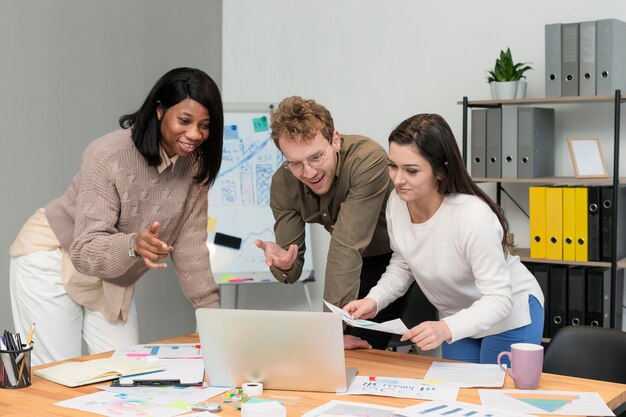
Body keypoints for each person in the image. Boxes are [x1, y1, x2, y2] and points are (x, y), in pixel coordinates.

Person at [9, 67, 223, 365]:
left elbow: (190, 247)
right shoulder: (108, 153)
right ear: (160, 111)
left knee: (127, 374)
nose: (194, 134)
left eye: (205, 125)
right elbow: (85, 249)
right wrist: (133, 245)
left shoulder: (195, 166)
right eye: (184, 121)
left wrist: (216, 321)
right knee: (57, 376)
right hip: (54, 257)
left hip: (114, 272)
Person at [343, 113, 544, 364]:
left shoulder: (472, 216)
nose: (397, 179)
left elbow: (499, 299)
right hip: (458, 318)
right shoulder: (397, 202)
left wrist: (446, 328)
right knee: (459, 394)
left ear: (440, 170)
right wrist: (374, 300)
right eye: (393, 166)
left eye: (411, 170)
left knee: (494, 396)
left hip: (509, 314)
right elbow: (404, 262)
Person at [255, 96, 412, 350]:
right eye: (295, 163)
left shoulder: (366, 160)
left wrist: (328, 335)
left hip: (396, 260)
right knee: (340, 351)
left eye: (316, 158)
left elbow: (346, 247)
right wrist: (285, 263)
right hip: (353, 262)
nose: (308, 173)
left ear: (335, 140)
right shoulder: (283, 183)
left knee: (361, 350)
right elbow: (292, 268)